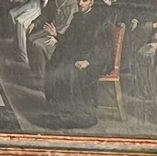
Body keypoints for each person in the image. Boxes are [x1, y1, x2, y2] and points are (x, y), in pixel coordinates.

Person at [42, 0, 112, 128]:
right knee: (53, 68)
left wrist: (88, 61)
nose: (80, 3)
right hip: (76, 57)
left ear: (91, 2)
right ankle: (57, 113)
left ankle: (74, 116)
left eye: (84, 1)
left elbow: (104, 49)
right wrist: (56, 34)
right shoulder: (77, 18)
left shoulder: (100, 20)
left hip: (92, 63)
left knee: (68, 72)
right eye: (79, 0)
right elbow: (70, 41)